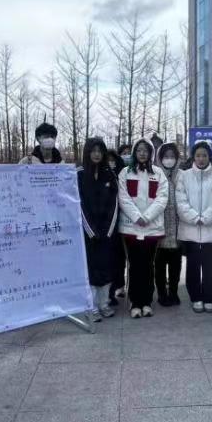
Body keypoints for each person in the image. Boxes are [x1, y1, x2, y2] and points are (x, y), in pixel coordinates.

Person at [117, 139, 169, 318]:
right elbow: (123, 197)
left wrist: (146, 217)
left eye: (146, 150)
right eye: (139, 150)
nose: (142, 153)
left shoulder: (158, 173)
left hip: (151, 228)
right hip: (131, 228)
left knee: (148, 265)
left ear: (151, 153)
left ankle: (146, 301)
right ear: (134, 152)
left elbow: (162, 198)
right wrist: (136, 216)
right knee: (134, 265)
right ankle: (135, 302)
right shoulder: (125, 172)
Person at [176, 141, 212, 313]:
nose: (201, 159)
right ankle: (195, 297)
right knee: (192, 265)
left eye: (204, 155)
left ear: (209, 157)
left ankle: (208, 298)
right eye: (198, 155)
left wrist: (205, 218)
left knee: (209, 266)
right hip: (190, 230)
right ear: (193, 157)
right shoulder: (184, 176)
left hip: (211, 230)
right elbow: (180, 200)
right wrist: (193, 217)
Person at [78, 137, 118, 320]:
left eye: (100, 151)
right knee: (90, 269)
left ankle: (104, 304)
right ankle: (92, 307)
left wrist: (108, 230)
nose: (96, 154)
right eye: (93, 151)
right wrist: (91, 231)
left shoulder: (109, 175)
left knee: (106, 267)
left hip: (107, 232)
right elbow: (78, 205)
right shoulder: (79, 175)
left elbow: (114, 204)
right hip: (88, 233)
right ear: (87, 152)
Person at [154, 143, 183, 306]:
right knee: (159, 266)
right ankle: (161, 294)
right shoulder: (155, 175)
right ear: (160, 158)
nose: (169, 159)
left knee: (175, 266)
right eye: (166, 156)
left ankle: (173, 292)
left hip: (178, 230)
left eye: (172, 156)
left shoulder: (182, 175)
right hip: (159, 229)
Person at [105, 149, 126, 306]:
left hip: (122, 224)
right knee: (109, 261)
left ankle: (119, 285)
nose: (111, 163)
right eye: (108, 160)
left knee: (120, 259)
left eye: (113, 160)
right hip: (106, 226)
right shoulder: (102, 176)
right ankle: (109, 293)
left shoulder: (122, 176)